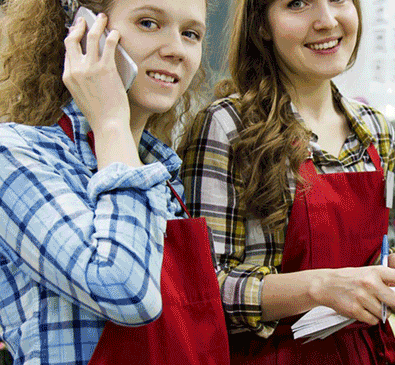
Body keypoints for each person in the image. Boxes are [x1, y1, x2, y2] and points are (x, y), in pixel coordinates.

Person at [178, 0, 395, 363]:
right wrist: (320, 288)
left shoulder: (374, 129)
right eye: (297, 3)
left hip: (369, 351)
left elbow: (375, 247)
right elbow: (203, 290)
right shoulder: (229, 126)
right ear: (262, 25)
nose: (326, 20)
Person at [0, 0, 229, 364]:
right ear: (86, 30)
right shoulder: (14, 155)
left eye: (191, 34)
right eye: (149, 23)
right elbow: (125, 289)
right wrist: (110, 122)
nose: (176, 50)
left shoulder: (164, 178)